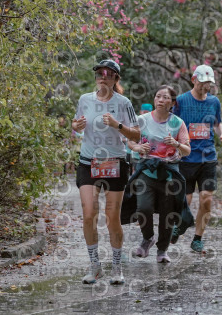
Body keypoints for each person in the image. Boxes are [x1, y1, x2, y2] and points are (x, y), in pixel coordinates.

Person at [71, 59, 139, 285]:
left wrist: (117, 125)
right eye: (100, 73)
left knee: (112, 218)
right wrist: (76, 126)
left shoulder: (124, 103)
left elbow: (136, 135)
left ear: (116, 78)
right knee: (89, 214)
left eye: (109, 74)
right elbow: (76, 124)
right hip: (88, 161)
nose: (103, 76)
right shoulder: (85, 99)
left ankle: (117, 267)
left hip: (114, 162)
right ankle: (95, 265)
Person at [127, 85, 191, 263]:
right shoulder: (142, 120)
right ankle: (147, 238)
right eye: (158, 96)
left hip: (169, 174)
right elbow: (130, 141)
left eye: (165, 97)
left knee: (167, 213)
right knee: (143, 208)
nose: (161, 100)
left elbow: (187, 150)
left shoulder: (178, 123)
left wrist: (176, 144)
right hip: (146, 170)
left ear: (173, 103)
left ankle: (162, 250)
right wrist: (138, 147)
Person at [172, 65, 222, 253]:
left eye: (209, 83)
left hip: (208, 157)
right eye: (203, 82)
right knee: (186, 200)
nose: (206, 86)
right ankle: (179, 225)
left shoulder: (214, 102)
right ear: (194, 80)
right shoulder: (181, 101)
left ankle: (197, 239)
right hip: (186, 158)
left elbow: (218, 123)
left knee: (206, 199)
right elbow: (172, 124)